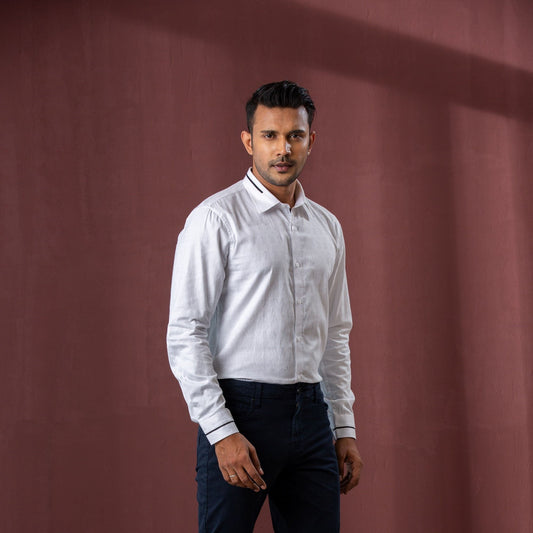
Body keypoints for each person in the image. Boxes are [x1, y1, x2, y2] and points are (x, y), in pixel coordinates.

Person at [167, 80, 362, 533]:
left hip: (312, 414)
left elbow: (335, 333)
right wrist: (221, 431)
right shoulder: (215, 219)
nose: (283, 149)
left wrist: (344, 428)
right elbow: (185, 332)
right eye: (270, 135)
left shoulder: (327, 227)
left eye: (295, 135)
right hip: (241, 411)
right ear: (248, 141)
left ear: (311, 141)